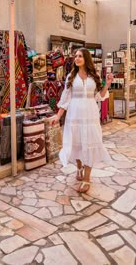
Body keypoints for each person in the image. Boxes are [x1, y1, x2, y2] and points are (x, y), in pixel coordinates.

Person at [53, 48, 113, 193]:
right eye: (76, 56)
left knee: (90, 143)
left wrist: (108, 84)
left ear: (86, 58)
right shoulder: (71, 77)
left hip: (91, 114)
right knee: (77, 143)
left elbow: (99, 96)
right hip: (74, 114)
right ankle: (79, 167)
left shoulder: (94, 76)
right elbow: (65, 98)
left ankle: (87, 179)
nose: (77, 58)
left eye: (80, 56)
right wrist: (58, 116)